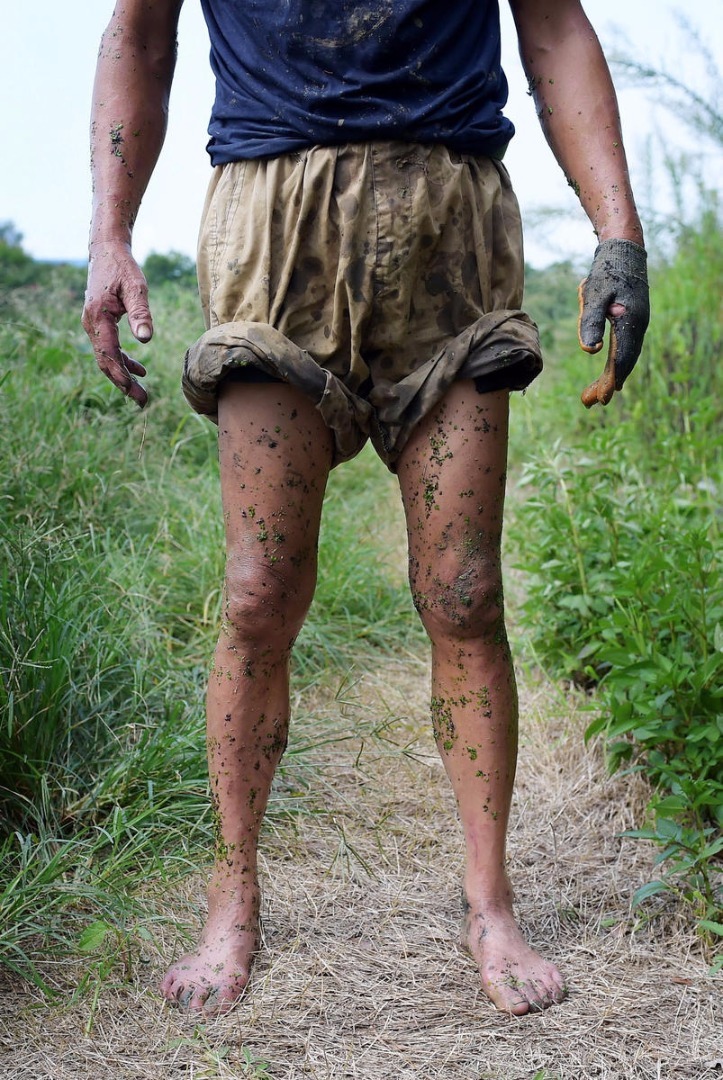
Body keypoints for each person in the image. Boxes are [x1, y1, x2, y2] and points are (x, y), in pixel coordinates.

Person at [82, 0, 649, 1017]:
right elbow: (139, 30)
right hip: (272, 224)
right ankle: (233, 895)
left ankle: (490, 903)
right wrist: (110, 234)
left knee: (467, 593)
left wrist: (620, 230)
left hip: (453, 224)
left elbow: (554, 25)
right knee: (258, 594)